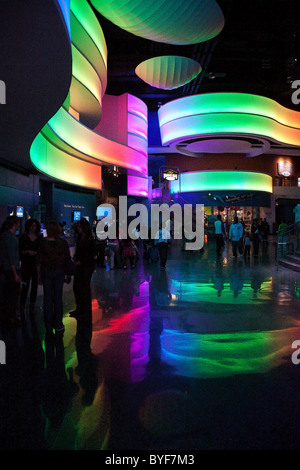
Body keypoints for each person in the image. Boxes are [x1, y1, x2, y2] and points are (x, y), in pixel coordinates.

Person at [38, 221, 72, 336]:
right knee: (57, 298)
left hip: (46, 272)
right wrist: (69, 274)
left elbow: (39, 261)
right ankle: (58, 324)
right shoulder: (62, 243)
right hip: (59, 273)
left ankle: (48, 325)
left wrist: (38, 276)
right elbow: (67, 259)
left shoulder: (42, 243)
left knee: (47, 298)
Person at [70, 218, 96, 318]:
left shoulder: (86, 239)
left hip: (84, 267)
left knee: (82, 288)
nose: (78, 228)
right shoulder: (84, 238)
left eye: (79, 226)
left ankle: (83, 310)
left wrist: (79, 260)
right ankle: (82, 309)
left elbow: (90, 254)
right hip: (83, 267)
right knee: (81, 288)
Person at [0, 215, 22, 324]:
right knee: (14, 293)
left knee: (6, 293)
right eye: (18, 223)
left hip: (4, 269)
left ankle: (5, 315)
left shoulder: (4, 236)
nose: (19, 225)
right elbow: (12, 257)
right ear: (15, 224)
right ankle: (12, 316)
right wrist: (16, 274)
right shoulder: (12, 239)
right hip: (11, 270)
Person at [19, 218, 42, 319]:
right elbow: (20, 251)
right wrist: (28, 251)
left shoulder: (39, 237)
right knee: (25, 286)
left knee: (34, 286)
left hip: (35, 265)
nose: (33, 227)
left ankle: (31, 306)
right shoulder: (23, 237)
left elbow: (41, 252)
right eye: (32, 225)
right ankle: (22, 307)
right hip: (26, 264)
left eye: (35, 226)